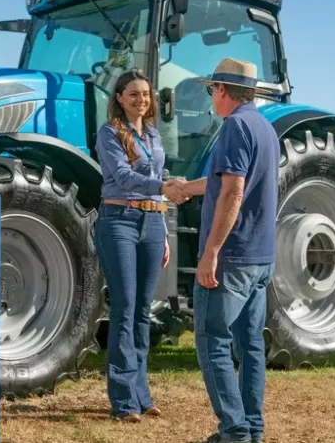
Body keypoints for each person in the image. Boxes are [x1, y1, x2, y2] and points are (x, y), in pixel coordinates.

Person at [179, 58, 280, 443]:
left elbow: (234, 191)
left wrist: (211, 251)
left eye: (211, 91)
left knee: (211, 340)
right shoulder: (264, 129)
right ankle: (252, 429)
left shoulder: (234, 127)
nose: (211, 98)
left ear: (221, 90)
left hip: (232, 258)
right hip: (259, 258)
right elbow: (228, 181)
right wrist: (187, 188)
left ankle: (235, 431)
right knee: (250, 346)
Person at [94, 69, 188, 423]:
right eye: (133, 94)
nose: (141, 100)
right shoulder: (110, 133)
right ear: (119, 98)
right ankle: (123, 401)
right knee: (124, 307)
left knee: (143, 311)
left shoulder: (152, 134)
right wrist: (163, 186)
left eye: (146, 94)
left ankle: (141, 394)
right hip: (119, 221)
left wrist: (162, 229)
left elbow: (154, 182)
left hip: (151, 222)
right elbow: (120, 177)